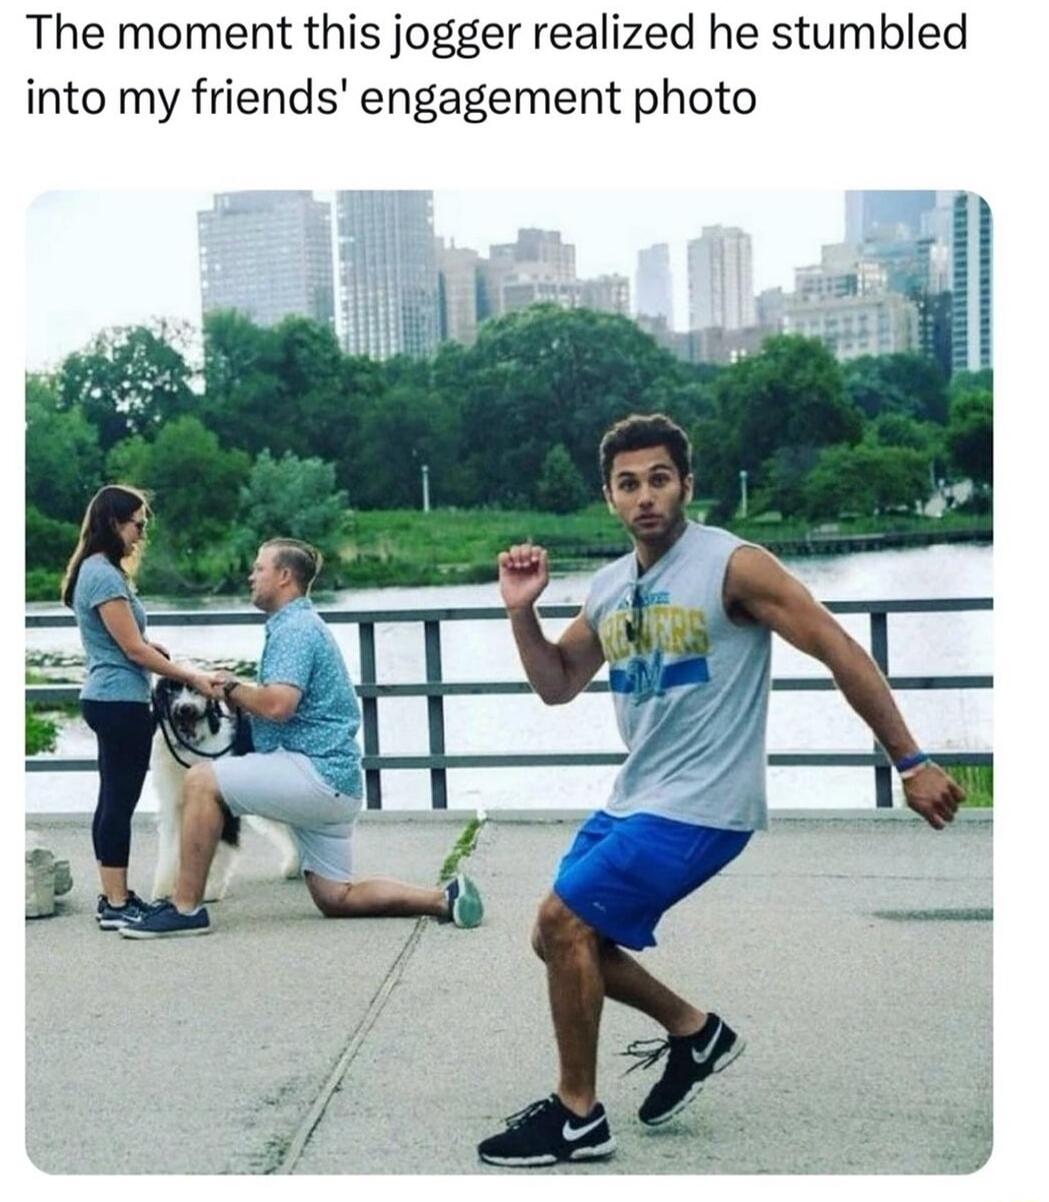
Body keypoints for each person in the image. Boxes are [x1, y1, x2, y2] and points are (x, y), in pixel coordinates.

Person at [478, 413, 965, 1167]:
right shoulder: (610, 588)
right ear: (608, 496)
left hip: (704, 802)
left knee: (563, 919)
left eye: (659, 480)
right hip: (635, 797)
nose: (645, 497)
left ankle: (577, 1116)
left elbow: (835, 646)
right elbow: (557, 684)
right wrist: (521, 614)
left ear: (686, 485)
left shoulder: (733, 567)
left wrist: (909, 761)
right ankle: (693, 1032)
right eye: (627, 484)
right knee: (555, 939)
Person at [121, 537, 484, 939]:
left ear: (284, 576)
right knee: (336, 897)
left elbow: (278, 705)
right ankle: (445, 898)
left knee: (201, 780)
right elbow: (280, 704)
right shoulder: (303, 625)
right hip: (337, 784)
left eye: (259, 568)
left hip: (311, 773)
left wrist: (227, 690)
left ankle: (183, 909)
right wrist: (239, 690)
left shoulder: (293, 629)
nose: (250, 575)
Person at [62, 485, 218, 930]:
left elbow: (122, 640)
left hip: (108, 695)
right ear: (114, 523)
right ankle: (116, 901)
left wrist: (149, 645)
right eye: (137, 525)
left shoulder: (95, 571)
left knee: (111, 798)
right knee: (118, 802)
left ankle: (114, 895)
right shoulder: (105, 575)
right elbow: (131, 651)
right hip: (119, 699)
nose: (140, 535)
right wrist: (187, 674)